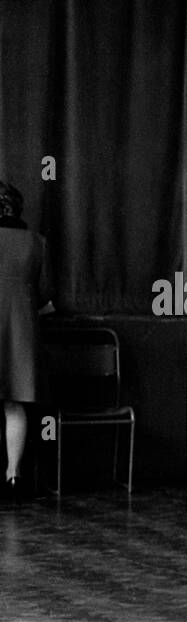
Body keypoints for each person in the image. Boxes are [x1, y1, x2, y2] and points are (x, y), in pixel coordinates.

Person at [0, 181, 51, 503]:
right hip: (21, 331)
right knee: (15, 405)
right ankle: (14, 476)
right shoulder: (38, 243)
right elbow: (46, 297)